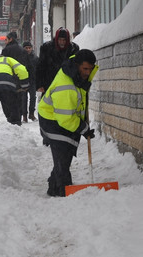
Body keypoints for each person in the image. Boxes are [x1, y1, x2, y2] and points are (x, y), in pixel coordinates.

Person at [37, 49, 98, 197]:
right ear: (77, 65)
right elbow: (65, 118)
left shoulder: (75, 72)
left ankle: (56, 186)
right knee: (63, 153)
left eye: (90, 69)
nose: (88, 73)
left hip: (63, 117)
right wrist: (83, 129)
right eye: (85, 69)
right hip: (51, 118)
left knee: (67, 152)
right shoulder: (66, 87)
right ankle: (61, 190)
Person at [0, 55, 30, 126]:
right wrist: (24, 84)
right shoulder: (7, 59)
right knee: (13, 104)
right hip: (7, 82)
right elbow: (21, 69)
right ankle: (15, 123)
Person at [36, 27, 80, 93]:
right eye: (60, 40)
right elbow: (41, 66)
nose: (62, 42)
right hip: (49, 83)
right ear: (56, 39)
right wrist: (39, 84)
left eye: (64, 40)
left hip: (67, 84)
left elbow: (76, 67)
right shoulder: (47, 48)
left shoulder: (73, 49)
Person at [1, 31, 31, 122]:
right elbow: (27, 65)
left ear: (11, 39)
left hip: (9, 78)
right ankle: (19, 116)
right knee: (20, 98)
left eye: (6, 39)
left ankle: (10, 116)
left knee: (9, 98)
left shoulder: (6, 50)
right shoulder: (22, 50)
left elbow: (3, 64)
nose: (5, 41)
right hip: (20, 78)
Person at [22, 41, 39, 121]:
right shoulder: (20, 58)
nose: (28, 49)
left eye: (29, 48)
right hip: (23, 81)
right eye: (26, 48)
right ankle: (24, 115)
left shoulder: (35, 58)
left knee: (33, 98)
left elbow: (39, 69)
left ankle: (31, 114)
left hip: (32, 81)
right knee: (23, 98)